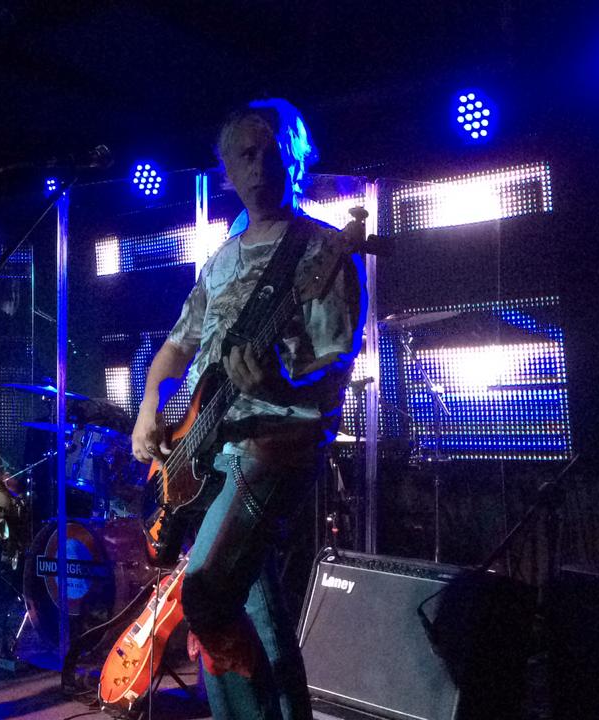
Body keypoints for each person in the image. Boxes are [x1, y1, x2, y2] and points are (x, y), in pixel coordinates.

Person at [130, 99, 365, 719]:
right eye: (245, 154)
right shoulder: (222, 257)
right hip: (207, 444)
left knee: (206, 594)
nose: (260, 166)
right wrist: (150, 404)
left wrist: (281, 385)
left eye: (271, 152)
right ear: (226, 171)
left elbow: (337, 366)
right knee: (255, 607)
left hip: (274, 444)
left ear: (297, 158)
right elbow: (178, 346)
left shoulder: (322, 251)